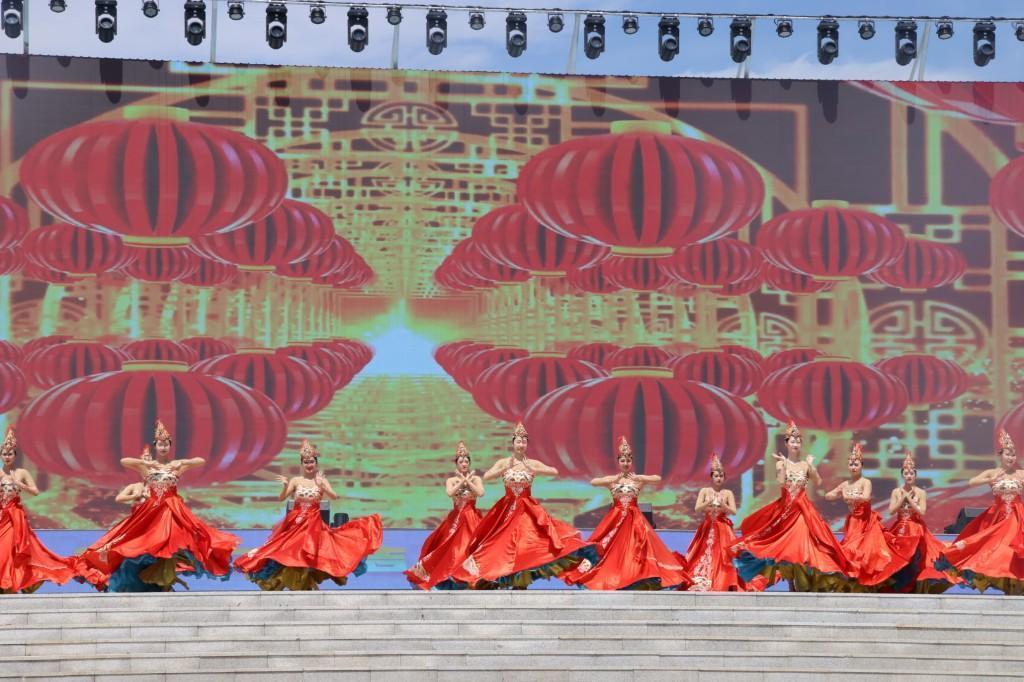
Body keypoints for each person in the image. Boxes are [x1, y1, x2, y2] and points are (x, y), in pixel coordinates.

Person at [79, 419, 240, 591]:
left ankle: (166, 573)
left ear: (170, 446)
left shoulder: (176, 467)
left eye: (166, 444)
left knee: (182, 538)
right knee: (145, 540)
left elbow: (200, 460)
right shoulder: (147, 468)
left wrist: (183, 462)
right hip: (153, 508)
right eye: (160, 444)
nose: (163, 447)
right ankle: (149, 574)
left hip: (172, 508)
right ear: (155, 446)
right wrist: (146, 463)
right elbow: (124, 461)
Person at [448, 422, 595, 589]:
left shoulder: (532, 463)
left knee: (530, 543)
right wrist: (503, 469)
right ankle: (498, 578)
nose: (521, 444)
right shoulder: (504, 462)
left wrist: (534, 468)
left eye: (524, 442)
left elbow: (554, 471)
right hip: (508, 508)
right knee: (501, 545)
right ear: (513, 443)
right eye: (518, 441)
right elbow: (488, 476)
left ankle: (523, 581)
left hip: (527, 508)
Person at [236, 440, 382, 590]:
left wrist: (323, 486)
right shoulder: (295, 480)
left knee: (310, 550)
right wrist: (286, 486)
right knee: (287, 551)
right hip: (295, 521)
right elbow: (282, 498)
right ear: (302, 464)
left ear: (316, 463)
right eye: (306, 462)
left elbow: (334, 496)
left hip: (313, 521)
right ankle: (294, 583)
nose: (309, 464)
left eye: (311, 461)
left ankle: (305, 583)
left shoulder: (321, 480)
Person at [732, 421, 855, 591]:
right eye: (792, 441)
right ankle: (791, 583)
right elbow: (781, 482)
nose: (795, 443)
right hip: (786, 509)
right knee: (784, 545)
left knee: (802, 543)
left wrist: (811, 466)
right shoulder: (780, 463)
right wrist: (783, 465)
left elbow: (818, 482)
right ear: (786, 444)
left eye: (798, 441)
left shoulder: (805, 465)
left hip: (802, 509)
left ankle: (800, 581)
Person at [562, 436, 689, 590]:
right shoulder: (612, 480)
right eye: (623, 460)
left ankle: (635, 576)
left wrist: (640, 477)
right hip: (615, 518)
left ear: (631, 462)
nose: (626, 463)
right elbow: (593, 482)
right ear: (619, 462)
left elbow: (657, 478)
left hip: (634, 519)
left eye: (628, 460)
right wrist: (614, 478)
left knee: (636, 547)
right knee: (610, 547)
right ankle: (612, 575)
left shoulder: (637, 480)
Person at [0, 426, 101, 593]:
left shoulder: (22, 473)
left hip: (15, 516)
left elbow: (35, 492)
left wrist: (20, 485)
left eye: (10, 454)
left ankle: (11, 584)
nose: (7, 457)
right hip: (2, 515)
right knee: (4, 550)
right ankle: (7, 584)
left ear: (15, 455)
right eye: (4, 454)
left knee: (13, 550)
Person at [937, 429, 1024, 594]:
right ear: (1001, 455)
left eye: (1013, 455)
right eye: (1008, 454)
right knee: (996, 551)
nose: (1011, 458)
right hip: (998, 517)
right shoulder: (993, 472)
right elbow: (972, 482)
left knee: (1014, 550)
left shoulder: (1020, 473)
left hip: (1017, 516)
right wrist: (990, 479)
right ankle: (1007, 585)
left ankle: (1016, 586)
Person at [824, 443, 913, 590]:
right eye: (851, 464)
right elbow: (828, 495)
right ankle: (855, 580)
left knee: (869, 551)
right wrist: (836, 493)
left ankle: (871, 581)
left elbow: (865, 497)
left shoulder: (866, 482)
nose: (853, 466)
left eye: (856, 464)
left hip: (866, 522)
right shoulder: (845, 484)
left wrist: (846, 495)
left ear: (861, 465)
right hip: (853, 522)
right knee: (850, 549)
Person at [405, 441, 485, 590]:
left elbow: (480, 493)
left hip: (472, 517)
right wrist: (462, 481)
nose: (464, 464)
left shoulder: (476, 479)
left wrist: (468, 481)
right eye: (461, 462)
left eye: (466, 461)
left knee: (472, 548)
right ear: (456, 464)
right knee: (452, 548)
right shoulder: (451, 480)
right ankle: (455, 577)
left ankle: (472, 579)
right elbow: (450, 493)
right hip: (457, 519)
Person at [885, 449, 957, 593]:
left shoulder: (920, 492)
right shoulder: (896, 492)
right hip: (899, 528)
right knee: (898, 558)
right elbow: (891, 511)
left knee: (915, 558)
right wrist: (902, 498)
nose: (909, 476)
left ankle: (913, 585)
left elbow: (922, 511)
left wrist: (910, 499)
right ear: (902, 475)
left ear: (915, 475)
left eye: (911, 473)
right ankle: (899, 585)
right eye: (906, 473)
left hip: (915, 528)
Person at [680, 453, 745, 592]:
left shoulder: (727, 493)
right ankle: (702, 579)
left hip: (723, 528)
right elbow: (697, 508)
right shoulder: (705, 491)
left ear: (724, 478)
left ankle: (722, 581)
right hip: (707, 527)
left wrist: (724, 505)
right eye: (716, 476)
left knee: (723, 556)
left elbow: (733, 511)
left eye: (721, 476)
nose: (719, 478)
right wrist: (708, 502)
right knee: (703, 553)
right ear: (711, 477)